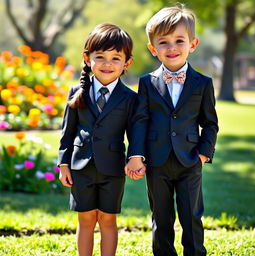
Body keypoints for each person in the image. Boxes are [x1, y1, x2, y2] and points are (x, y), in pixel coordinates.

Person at [125, 5, 219, 256]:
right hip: (157, 162)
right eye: (163, 42)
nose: (172, 48)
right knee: (161, 217)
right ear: (153, 49)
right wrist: (136, 155)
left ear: (193, 44)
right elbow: (140, 121)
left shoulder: (203, 83)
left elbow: (210, 123)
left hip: (190, 160)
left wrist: (203, 154)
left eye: (179, 40)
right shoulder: (146, 83)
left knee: (192, 216)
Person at [58, 23, 141, 256]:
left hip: (113, 168)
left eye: (116, 58)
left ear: (127, 63)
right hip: (80, 166)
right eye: (100, 57)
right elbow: (67, 132)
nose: (107, 64)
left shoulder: (130, 98)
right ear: (87, 58)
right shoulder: (76, 92)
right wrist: (63, 163)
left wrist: (135, 158)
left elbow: (135, 133)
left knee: (107, 218)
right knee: (85, 218)